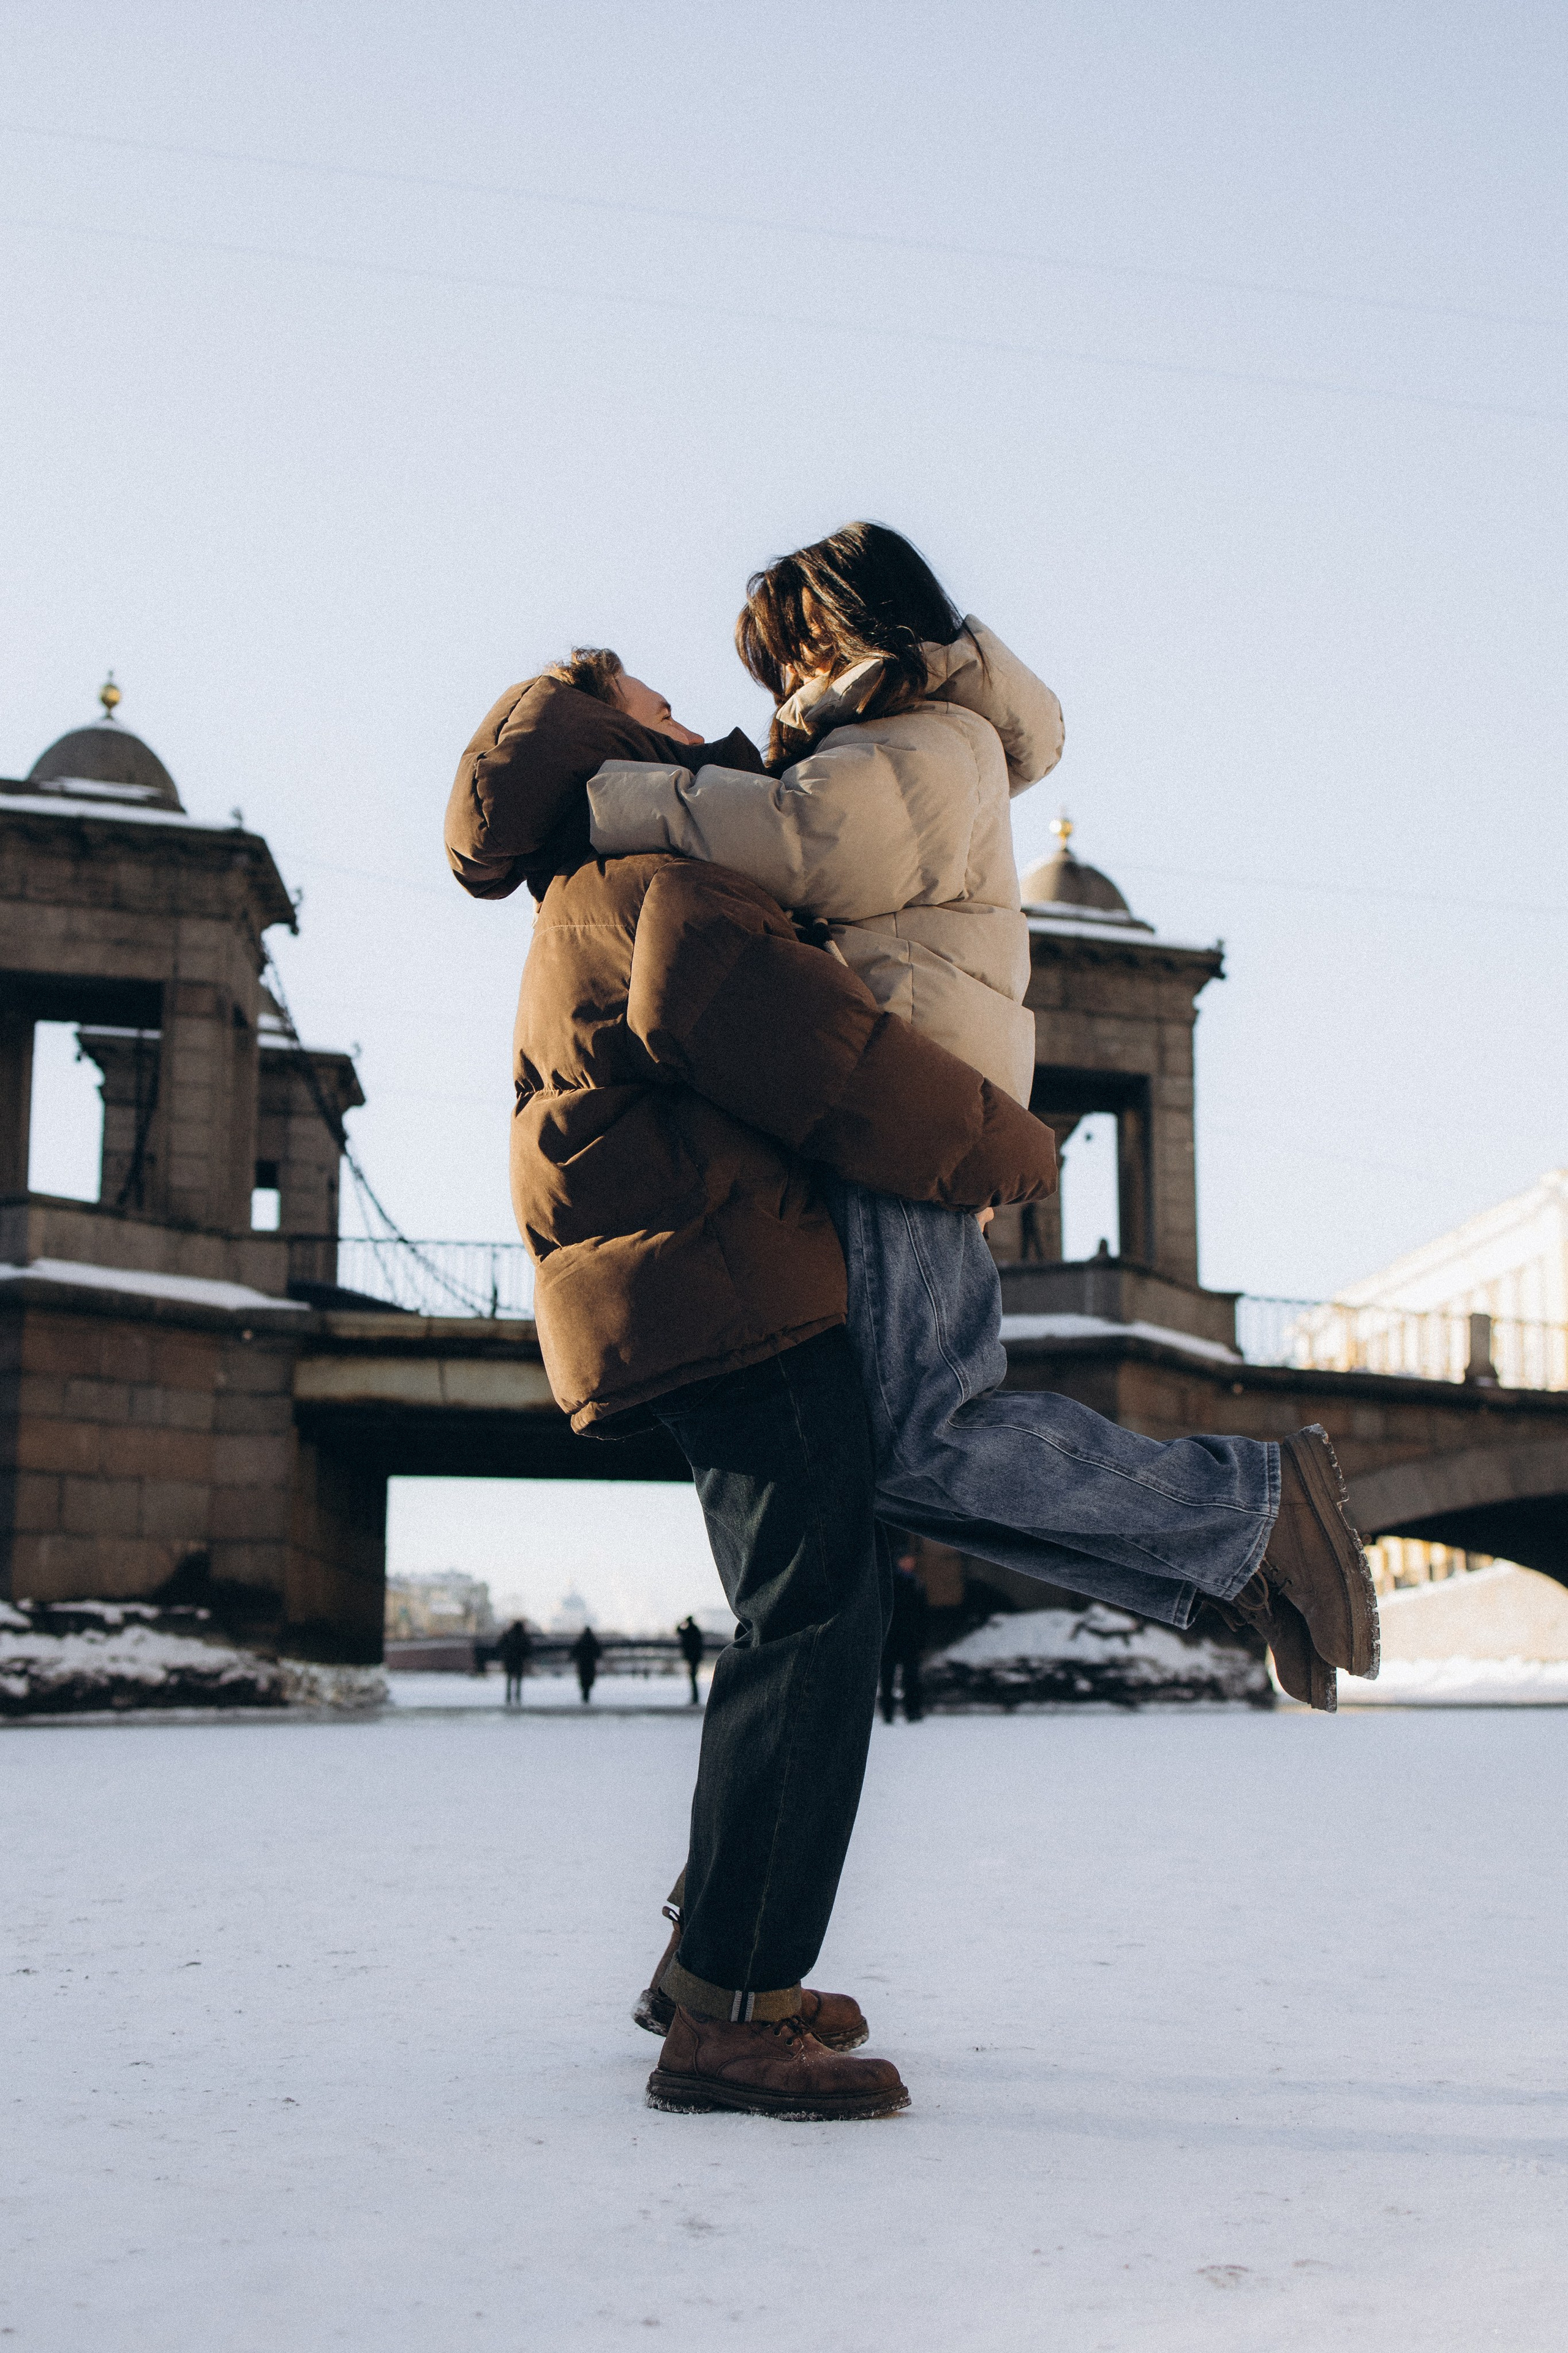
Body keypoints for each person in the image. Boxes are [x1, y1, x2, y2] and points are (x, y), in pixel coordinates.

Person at [584, 523, 1378, 1714]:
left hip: (896, 1104)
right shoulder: (899, 738)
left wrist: (612, 796)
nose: (779, 684)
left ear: (844, 625)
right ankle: (1238, 1561)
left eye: (785, 653)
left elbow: (806, 845)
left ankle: (1253, 1512)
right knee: (905, 1458)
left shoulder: (919, 736)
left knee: (929, 1436)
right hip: (888, 1100)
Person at [446, 649, 1057, 2120]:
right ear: (601, 737)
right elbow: (828, 1061)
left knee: (803, 1609)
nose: (682, 713)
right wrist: (1005, 1145)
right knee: (818, 1616)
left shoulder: (590, 894)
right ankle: (728, 2013)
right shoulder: (656, 880)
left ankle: (716, 1966)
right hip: (738, 1287)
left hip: (696, 1290)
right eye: (650, 703)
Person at [879, 1553, 930, 1724]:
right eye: (905, 1560)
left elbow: (923, 1615)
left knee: (911, 1678)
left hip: (910, 1638)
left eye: (911, 1560)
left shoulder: (917, 1583)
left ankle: (912, 1711)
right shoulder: (890, 1583)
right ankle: (888, 1712)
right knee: (888, 1677)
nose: (909, 1563)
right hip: (892, 1637)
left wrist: (922, 1640)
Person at [496, 1618, 533, 1706]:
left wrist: (505, 1656)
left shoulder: (508, 1635)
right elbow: (528, 1649)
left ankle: (508, 1698)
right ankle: (518, 1697)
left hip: (509, 1661)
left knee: (509, 1679)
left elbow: (501, 1646)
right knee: (518, 1680)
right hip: (519, 1661)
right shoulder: (524, 1636)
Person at [676, 1615, 705, 1705]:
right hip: (696, 1658)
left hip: (691, 1658)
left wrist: (682, 1623)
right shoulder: (696, 1630)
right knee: (693, 1678)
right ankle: (695, 1698)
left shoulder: (688, 1631)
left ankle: (695, 1698)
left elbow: (678, 1630)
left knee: (693, 1678)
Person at [570, 1623, 602, 1704]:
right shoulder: (593, 1641)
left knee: (583, 1680)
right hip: (591, 1664)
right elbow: (599, 1653)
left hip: (582, 1664)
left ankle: (585, 1696)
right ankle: (587, 1696)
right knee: (589, 1680)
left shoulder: (581, 1641)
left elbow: (574, 1652)